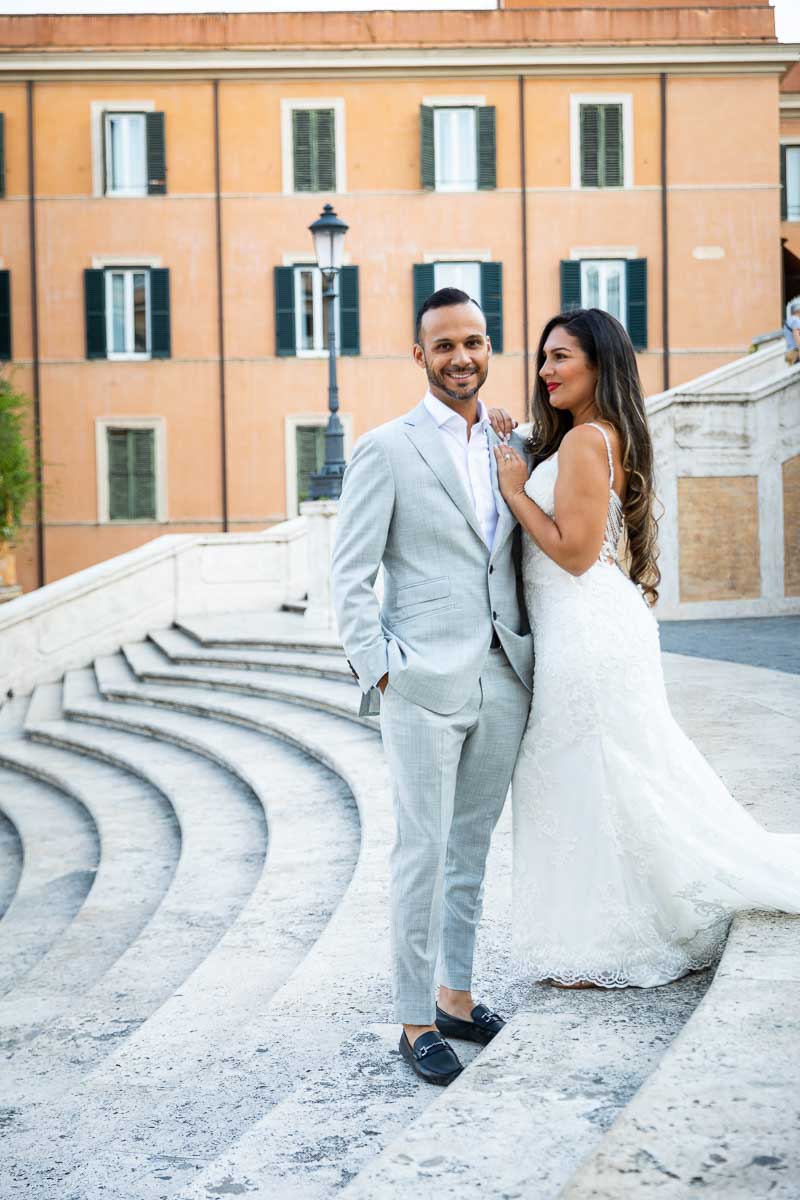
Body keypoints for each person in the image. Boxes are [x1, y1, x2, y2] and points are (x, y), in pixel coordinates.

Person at [492, 307, 800, 989]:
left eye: (561, 357)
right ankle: (603, 928)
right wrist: (517, 450)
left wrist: (515, 490)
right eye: (543, 358)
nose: (545, 370)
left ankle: (604, 940)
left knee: (587, 776)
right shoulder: (589, 438)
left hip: (585, 631)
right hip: (592, 625)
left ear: (600, 363)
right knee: (605, 775)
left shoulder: (584, 443)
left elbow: (572, 554)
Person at [331, 287, 533, 1083]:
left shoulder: (513, 444)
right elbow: (349, 576)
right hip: (420, 682)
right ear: (420, 355)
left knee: (471, 848)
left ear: (489, 348)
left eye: (474, 342)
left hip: (502, 676)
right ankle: (415, 1019)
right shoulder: (387, 448)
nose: (461, 357)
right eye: (444, 345)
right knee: (421, 848)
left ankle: (456, 994)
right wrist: (382, 669)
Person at [783, 300, 800, 366]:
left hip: (789, 352)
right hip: (796, 352)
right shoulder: (796, 320)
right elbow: (797, 335)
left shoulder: (788, 321)